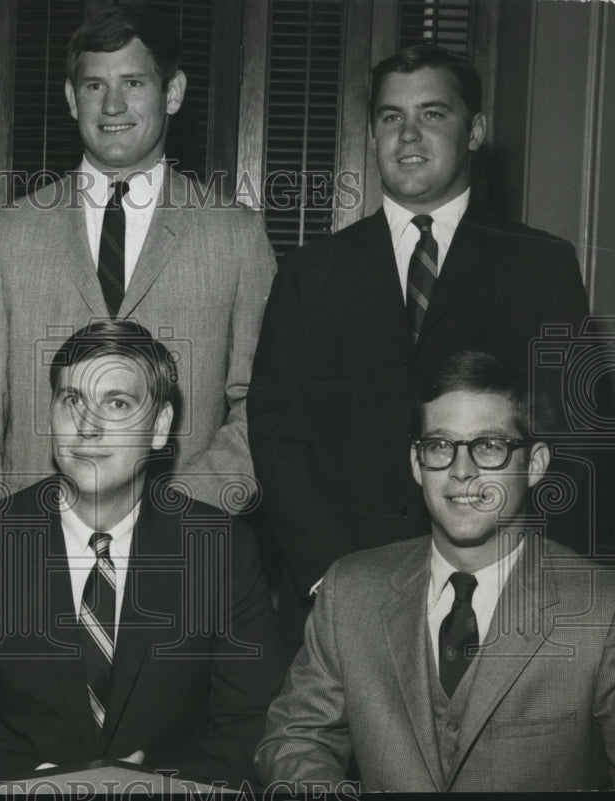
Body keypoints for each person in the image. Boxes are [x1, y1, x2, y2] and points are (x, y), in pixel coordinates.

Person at [248, 44, 589, 624]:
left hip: (500, 588)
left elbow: (573, 435)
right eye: (391, 117)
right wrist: (331, 577)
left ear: (475, 129)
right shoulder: (311, 272)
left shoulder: (541, 265)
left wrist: (526, 579)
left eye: (432, 114)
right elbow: (277, 436)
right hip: (342, 586)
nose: (408, 135)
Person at [0, 320, 283, 789]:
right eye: (72, 400)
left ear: (159, 427)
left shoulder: (219, 550)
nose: (87, 426)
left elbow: (257, 725)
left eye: (117, 403)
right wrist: (52, 784)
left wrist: (151, 785)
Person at [0, 6, 277, 524]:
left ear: (173, 92)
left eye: (134, 82)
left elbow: (265, 409)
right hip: (33, 549)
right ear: (72, 99)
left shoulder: (235, 236)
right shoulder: (9, 234)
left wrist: (184, 510)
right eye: (95, 85)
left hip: (183, 551)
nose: (113, 104)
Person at [254, 351, 615, 792]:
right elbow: (294, 740)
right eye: (440, 446)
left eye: (489, 446)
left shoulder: (601, 610)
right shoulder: (350, 591)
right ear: (416, 463)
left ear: (535, 464)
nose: (461, 472)